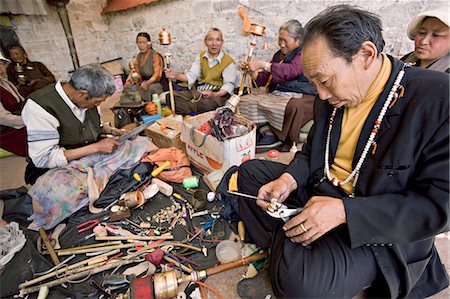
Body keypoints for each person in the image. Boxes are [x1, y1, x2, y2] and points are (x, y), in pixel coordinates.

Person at [233, 5, 449, 298]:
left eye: (324, 80)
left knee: (302, 285)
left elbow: (437, 208)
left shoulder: (438, 98)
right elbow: (312, 153)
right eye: (314, 83)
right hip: (324, 191)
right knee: (249, 174)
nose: (320, 94)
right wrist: (289, 180)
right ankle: (292, 246)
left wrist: (345, 212)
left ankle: (287, 249)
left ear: (366, 55)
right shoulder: (331, 96)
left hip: (377, 228)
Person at [22, 64, 127, 184]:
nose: (98, 106)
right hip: (54, 171)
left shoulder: (87, 99)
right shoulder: (40, 106)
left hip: (87, 160)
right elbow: (43, 159)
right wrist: (96, 147)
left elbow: (94, 125)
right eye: (97, 102)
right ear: (82, 94)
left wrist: (113, 131)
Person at [238, 20, 316, 150]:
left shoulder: (304, 54)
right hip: (279, 93)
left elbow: (291, 70)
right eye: (280, 40)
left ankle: (278, 138)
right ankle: (265, 132)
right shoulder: (278, 55)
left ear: (298, 41)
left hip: (301, 94)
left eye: (285, 40)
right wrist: (252, 71)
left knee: (287, 106)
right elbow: (266, 78)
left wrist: (264, 65)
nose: (281, 44)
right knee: (247, 100)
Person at [164, 28, 237, 115]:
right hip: (198, 92)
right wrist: (176, 75)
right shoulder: (201, 57)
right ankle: (193, 112)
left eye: (218, 40)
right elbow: (191, 75)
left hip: (217, 95)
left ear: (222, 42)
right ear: (205, 42)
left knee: (206, 105)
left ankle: (189, 110)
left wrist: (214, 94)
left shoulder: (228, 61)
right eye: (210, 39)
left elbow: (228, 85)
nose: (214, 44)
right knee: (170, 96)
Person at [123, 32, 168, 101]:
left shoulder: (155, 56)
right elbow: (138, 74)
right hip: (144, 82)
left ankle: (145, 105)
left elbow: (157, 76)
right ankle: (134, 106)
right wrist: (133, 79)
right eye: (139, 43)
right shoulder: (139, 56)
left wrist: (147, 83)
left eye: (144, 42)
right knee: (128, 88)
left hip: (157, 83)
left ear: (149, 44)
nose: (141, 45)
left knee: (150, 89)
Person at [0, 52, 27, 157]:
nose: (0, 68)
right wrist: (28, 121)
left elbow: (24, 104)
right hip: (4, 129)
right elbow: (3, 118)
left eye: (2, 64)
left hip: (17, 121)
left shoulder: (8, 84)